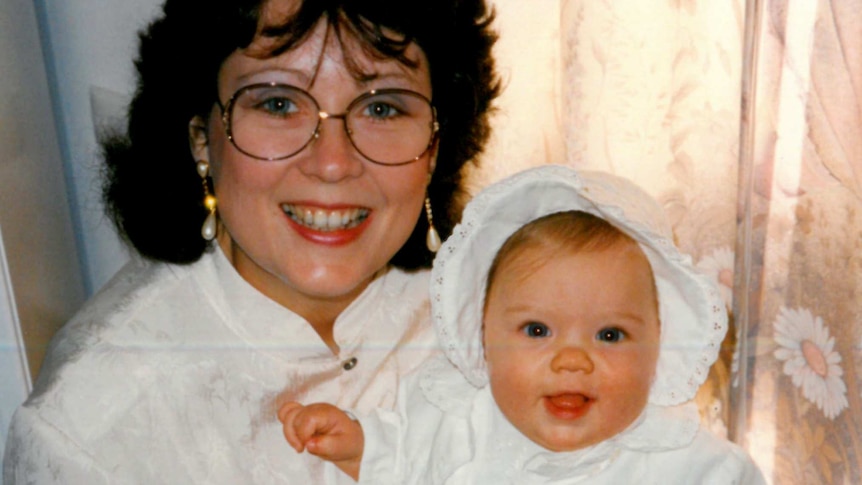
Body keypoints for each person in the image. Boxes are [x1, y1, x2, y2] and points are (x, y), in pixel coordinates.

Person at [3, 0, 499, 483]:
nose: (332, 164)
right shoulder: (90, 435)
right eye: (278, 103)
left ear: (435, 144)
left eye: (382, 107)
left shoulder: (504, 316)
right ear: (201, 135)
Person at [278, 165, 767, 484]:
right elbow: (405, 453)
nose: (572, 360)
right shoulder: (458, 423)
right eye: (537, 330)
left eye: (610, 335)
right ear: (483, 340)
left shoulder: (698, 470)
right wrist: (356, 444)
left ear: (659, 347)